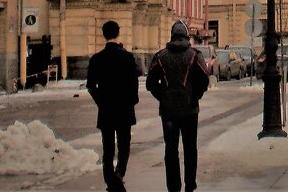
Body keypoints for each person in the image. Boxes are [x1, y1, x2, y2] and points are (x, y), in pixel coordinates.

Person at [147, 21, 210, 192]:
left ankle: (173, 186)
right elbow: (204, 79)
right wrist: (194, 96)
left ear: (172, 36)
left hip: (168, 112)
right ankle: (190, 184)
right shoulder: (194, 55)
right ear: (186, 36)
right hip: (190, 110)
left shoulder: (161, 56)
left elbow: (150, 82)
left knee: (171, 150)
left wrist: (162, 96)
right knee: (190, 149)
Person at [86, 20, 139, 192]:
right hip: (124, 109)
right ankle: (119, 173)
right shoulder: (128, 57)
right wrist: (131, 101)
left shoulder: (97, 59)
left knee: (108, 148)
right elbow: (134, 84)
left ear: (104, 35)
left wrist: (101, 101)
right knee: (124, 144)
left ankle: (109, 179)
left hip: (106, 109)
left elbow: (90, 85)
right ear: (118, 34)